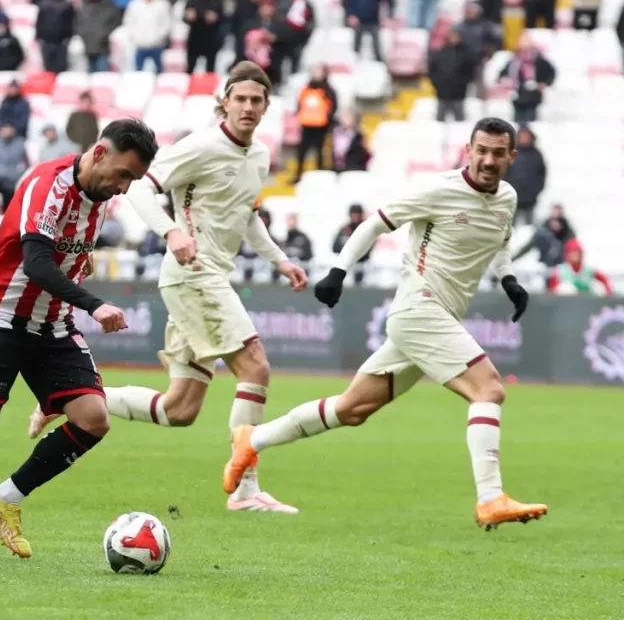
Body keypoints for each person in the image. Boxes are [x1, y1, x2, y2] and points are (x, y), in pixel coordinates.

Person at [224, 117, 549, 531]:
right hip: (419, 311)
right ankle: (490, 499)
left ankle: (251, 440)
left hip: (434, 319)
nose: (488, 160)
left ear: (511, 157)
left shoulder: (507, 198)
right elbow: (374, 223)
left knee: (352, 408)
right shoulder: (439, 190)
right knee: (489, 389)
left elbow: (501, 242)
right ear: (468, 150)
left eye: (497, 153)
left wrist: (509, 280)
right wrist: (339, 271)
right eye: (481, 151)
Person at [27, 62, 309, 514]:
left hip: (206, 276)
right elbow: (140, 191)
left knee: (180, 409)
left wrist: (281, 261)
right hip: (194, 273)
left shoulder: (258, 156)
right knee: (255, 369)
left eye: (257, 100)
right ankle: (246, 490)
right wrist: (171, 233)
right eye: (240, 98)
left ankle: (65, 401)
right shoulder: (201, 146)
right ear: (225, 101)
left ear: (267, 106)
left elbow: (247, 215)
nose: (249, 107)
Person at [0, 119, 159, 560]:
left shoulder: (98, 197)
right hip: (1, 317)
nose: (124, 187)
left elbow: (69, 254)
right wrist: (94, 304)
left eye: (132, 180)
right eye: (123, 174)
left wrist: (82, 266)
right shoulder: (47, 185)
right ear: (100, 153)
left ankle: (5, 499)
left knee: (93, 419)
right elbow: (37, 264)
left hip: (53, 326)